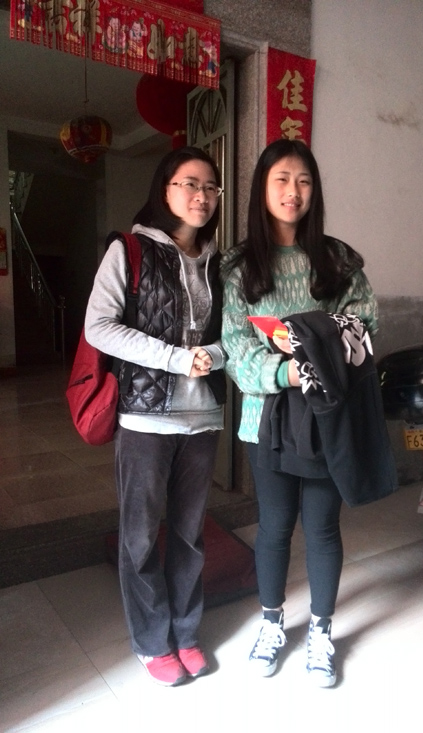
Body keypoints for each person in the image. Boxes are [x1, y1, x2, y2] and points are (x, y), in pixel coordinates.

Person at [221, 139, 384, 688]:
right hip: (264, 418)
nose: (294, 192)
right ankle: (271, 624)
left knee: (322, 528)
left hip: (326, 416)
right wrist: (289, 370)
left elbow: (366, 321)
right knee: (273, 526)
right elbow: (236, 348)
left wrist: (315, 344)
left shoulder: (337, 259)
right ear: (262, 189)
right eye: (282, 180)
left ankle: (320, 631)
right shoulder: (239, 267)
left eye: (304, 181)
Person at [85, 146, 226, 687]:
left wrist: (213, 356)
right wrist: (174, 358)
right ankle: (151, 642)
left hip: (203, 418)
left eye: (210, 187)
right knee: (140, 537)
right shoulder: (129, 249)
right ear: (164, 189)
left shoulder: (221, 263)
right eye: (189, 183)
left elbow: (236, 334)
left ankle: (185, 632)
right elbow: (100, 327)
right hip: (145, 420)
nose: (201, 196)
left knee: (189, 534)